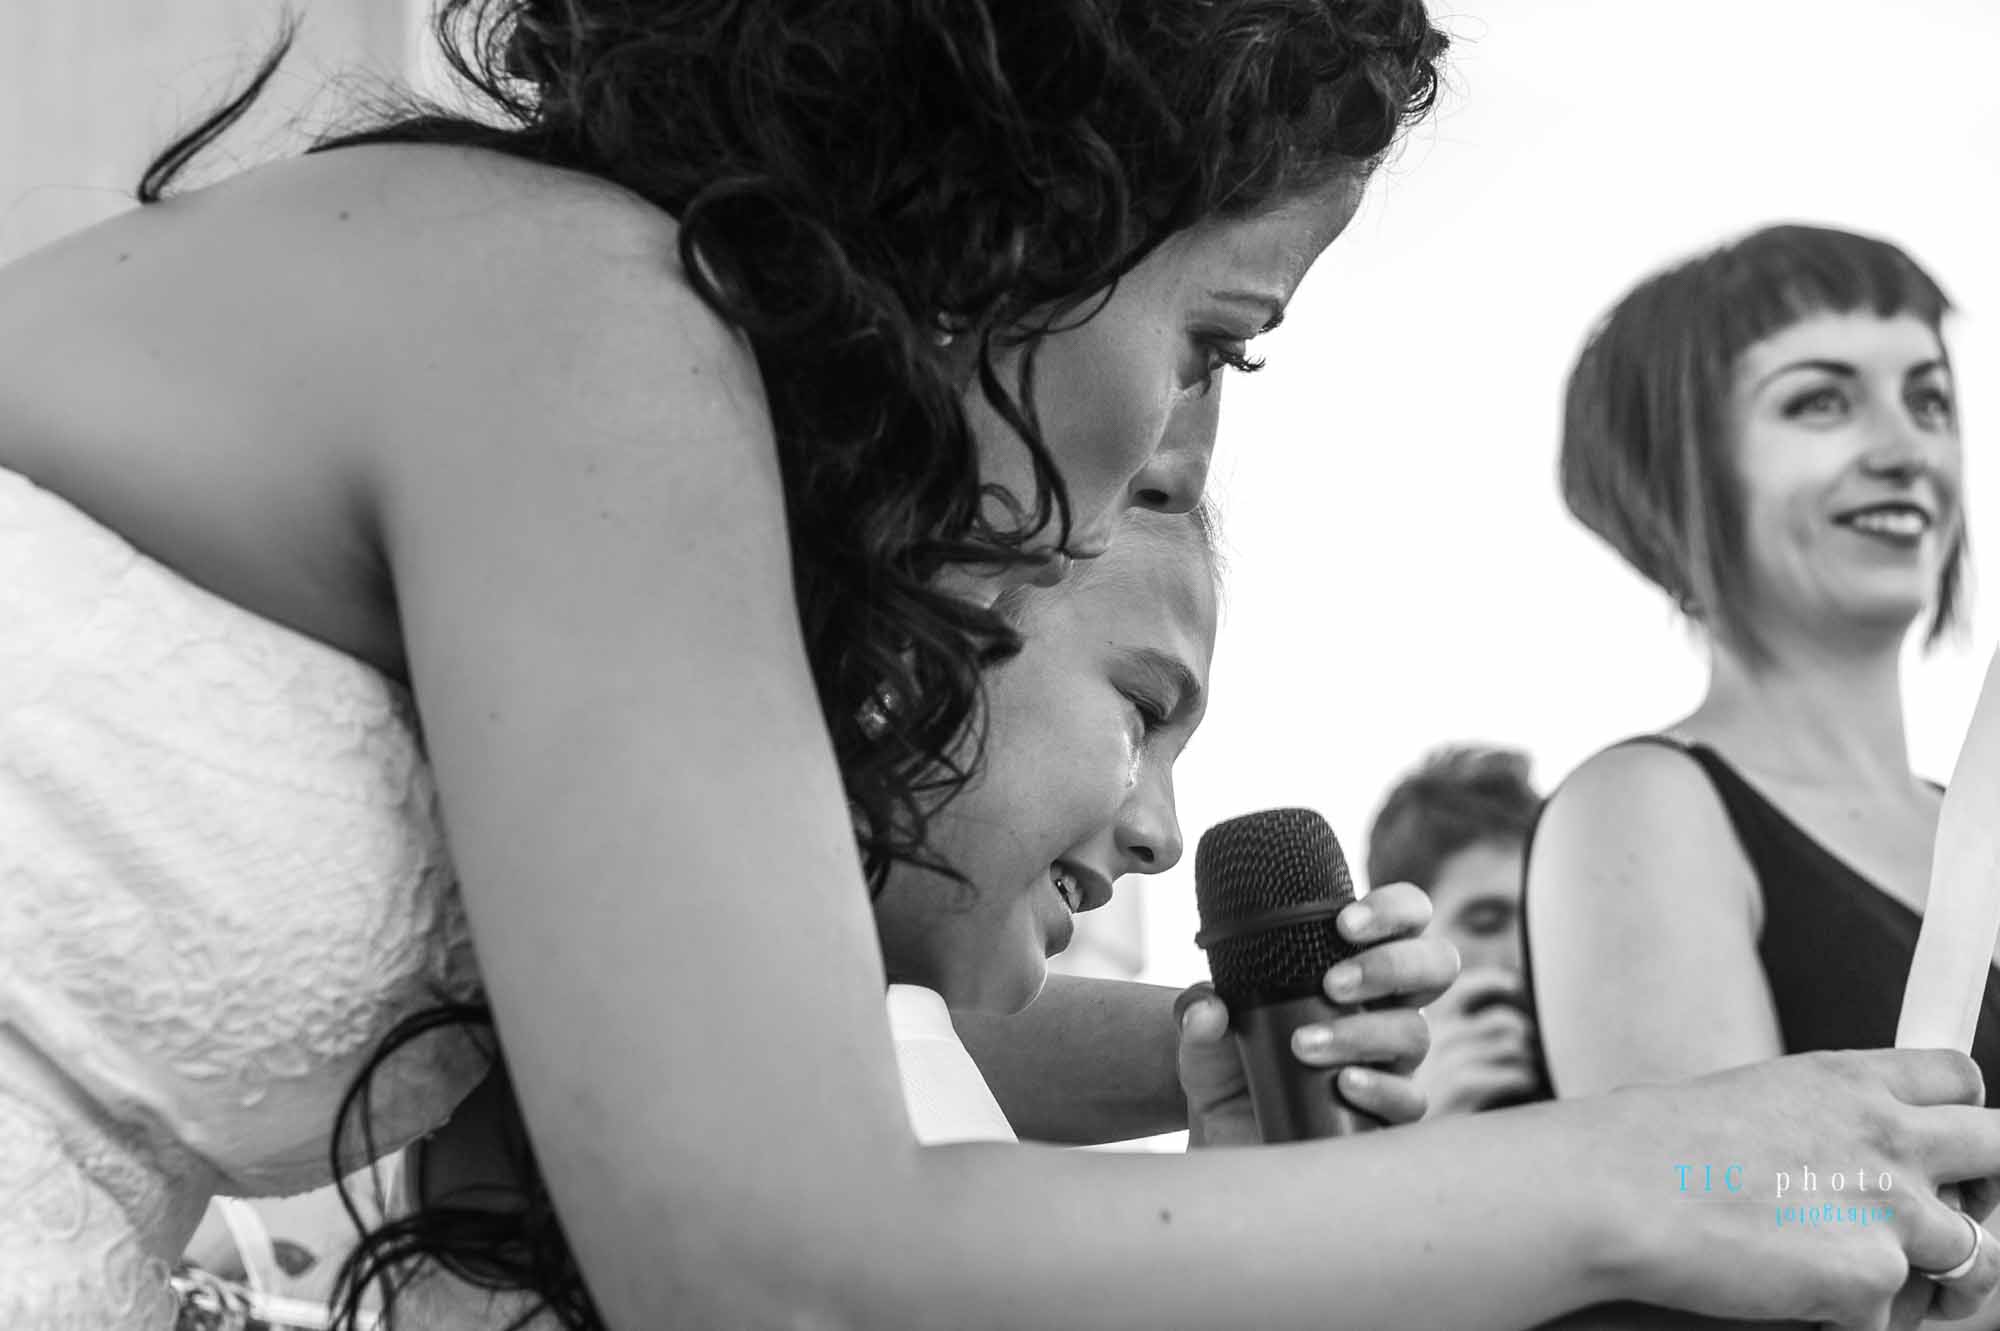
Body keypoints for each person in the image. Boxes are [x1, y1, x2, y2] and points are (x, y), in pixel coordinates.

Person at [3, 1, 1998, 1324]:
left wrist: (1189, 1049)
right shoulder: (574, 324)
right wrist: (1623, 1171)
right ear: (1022, 217)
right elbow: (773, 1254)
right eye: (1220, 340)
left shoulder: (581, 367)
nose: (1152, 458)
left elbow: (807, 983)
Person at [1525, 223, 1999, 1329]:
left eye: (1928, 401)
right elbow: (1729, 1251)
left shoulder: (1968, 817)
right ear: (1677, 466)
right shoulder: (1642, 811)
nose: (1904, 449)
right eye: (1819, 402)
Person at [1367, 744, 1547, 1115]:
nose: (1524, 952)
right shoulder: (1352, 1123)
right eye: (1486, 924)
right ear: (1399, 942)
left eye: (1542, 919)